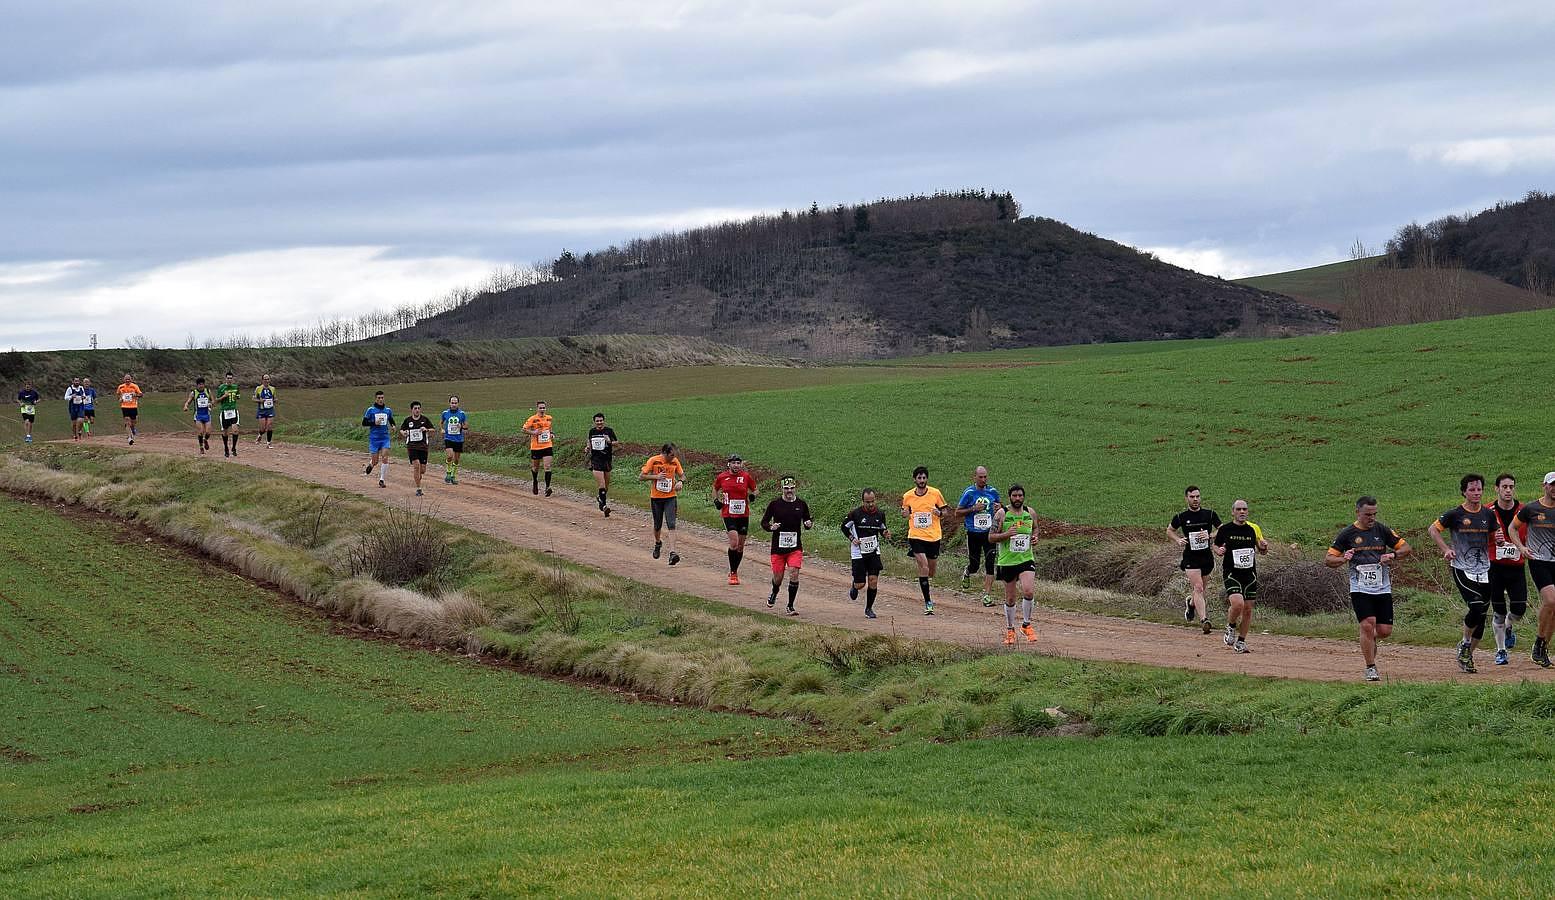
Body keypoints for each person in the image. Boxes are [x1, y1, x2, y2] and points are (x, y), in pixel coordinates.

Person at [1326, 496, 1412, 682]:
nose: (1371, 518)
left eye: (1374, 514)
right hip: (1360, 587)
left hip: (1382, 587)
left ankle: (1368, 638)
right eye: (1367, 514)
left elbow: (1406, 548)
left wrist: (1393, 555)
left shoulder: (1382, 530)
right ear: (1357, 512)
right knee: (1367, 623)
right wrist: (1344, 558)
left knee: (1384, 631)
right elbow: (1329, 559)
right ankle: (1370, 667)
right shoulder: (1347, 534)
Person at [1428, 474, 1498, 674]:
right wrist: (1446, 550)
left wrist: (1499, 541)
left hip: (1484, 569)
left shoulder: (1488, 514)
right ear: (1464, 492)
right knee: (1475, 606)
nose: (1476, 493)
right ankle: (1466, 642)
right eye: (1472, 490)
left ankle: (1467, 656)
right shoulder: (1455, 514)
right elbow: (1433, 530)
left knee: (1482, 616)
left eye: (1479, 490)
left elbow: (1493, 538)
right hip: (1461, 568)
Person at [1508, 473, 1555, 668]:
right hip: (1539, 561)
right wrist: (1521, 548)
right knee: (1551, 600)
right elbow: (1512, 528)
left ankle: (1541, 646)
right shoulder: (1531, 509)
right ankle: (1539, 644)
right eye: (1552, 485)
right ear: (1544, 486)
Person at [1213, 499, 1268, 654]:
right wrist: (1218, 551)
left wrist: (1264, 547)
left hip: (1250, 574)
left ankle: (1241, 642)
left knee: (1248, 610)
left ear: (1247, 512)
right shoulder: (1225, 529)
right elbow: (1215, 545)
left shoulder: (1252, 529)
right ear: (1233, 512)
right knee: (1238, 604)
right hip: (1232, 572)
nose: (1242, 512)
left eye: (1244, 509)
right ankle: (1230, 626)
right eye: (1239, 509)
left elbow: (1261, 550)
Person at [1487, 473, 1530, 665]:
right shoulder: (1487, 511)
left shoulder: (1523, 511)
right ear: (1496, 488)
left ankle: (1509, 626)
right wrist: (1490, 539)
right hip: (1494, 567)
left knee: (1519, 608)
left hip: (1516, 566)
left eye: (1511, 487)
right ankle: (1501, 650)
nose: (1508, 490)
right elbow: (1476, 536)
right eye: (1504, 487)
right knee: (1499, 610)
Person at [989, 484, 1039, 645]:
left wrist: (1035, 538)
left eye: (1020, 496)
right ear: (1009, 497)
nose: (1017, 499)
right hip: (1007, 561)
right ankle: (1010, 630)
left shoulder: (1030, 513)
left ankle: (1026, 625)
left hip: (1026, 559)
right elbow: (991, 537)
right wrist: (1006, 534)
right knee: (1010, 599)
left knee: (1028, 591)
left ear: (1024, 497)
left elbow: (1036, 529)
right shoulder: (1001, 514)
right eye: (1014, 496)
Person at [1168, 485, 1222, 634]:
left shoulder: (1210, 514)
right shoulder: (1181, 517)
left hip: (1206, 557)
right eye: (1192, 497)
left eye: (1198, 496)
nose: (1195, 499)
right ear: (1186, 498)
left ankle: (1191, 604)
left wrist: (1210, 535)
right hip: (1190, 557)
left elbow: (1222, 529)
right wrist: (1178, 540)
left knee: (1201, 590)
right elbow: (1169, 530)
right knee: (1198, 587)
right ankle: (1204, 620)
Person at [761, 476, 813, 616]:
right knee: (778, 577)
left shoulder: (801, 504)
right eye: (786, 488)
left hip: (795, 547)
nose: (789, 491)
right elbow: (764, 522)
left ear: (795, 488)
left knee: (794, 573)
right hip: (778, 547)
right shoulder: (775, 504)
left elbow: (807, 519)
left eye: (791, 488)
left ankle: (790, 606)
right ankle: (774, 591)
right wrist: (771, 527)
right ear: (782, 489)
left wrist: (808, 524)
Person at [901, 466, 948, 615]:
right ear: (914, 479)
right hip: (915, 536)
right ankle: (928, 602)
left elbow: (946, 511)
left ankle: (923, 581)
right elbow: (905, 512)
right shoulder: (907, 496)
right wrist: (905, 513)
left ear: (927, 479)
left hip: (933, 536)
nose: (922, 480)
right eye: (919, 478)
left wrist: (939, 512)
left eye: (924, 478)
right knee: (924, 566)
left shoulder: (935, 493)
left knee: (931, 572)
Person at [955, 466, 1002, 607]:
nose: (983, 479)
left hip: (989, 534)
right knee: (975, 565)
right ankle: (968, 571)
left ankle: (987, 595)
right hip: (973, 533)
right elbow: (957, 512)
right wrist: (973, 509)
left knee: (990, 563)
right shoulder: (969, 493)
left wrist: (999, 507)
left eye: (985, 477)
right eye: (980, 477)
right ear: (974, 477)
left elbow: (1000, 507)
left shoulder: (992, 491)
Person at [841, 488, 890, 619]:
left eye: (872, 501)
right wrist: (852, 539)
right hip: (858, 552)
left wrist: (885, 533)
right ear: (863, 501)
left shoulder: (880, 514)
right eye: (867, 502)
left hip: (874, 550)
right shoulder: (855, 514)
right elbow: (844, 527)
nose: (870, 504)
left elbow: (882, 528)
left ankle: (869, 608)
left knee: (873, 581)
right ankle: (855, 585)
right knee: (861, 584)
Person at [713, 454, 758, 584]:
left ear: (741, 465)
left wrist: (752, 496)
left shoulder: (745, 477)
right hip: (728, 514)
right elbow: (715, 488)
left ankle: (735, 570)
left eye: (738, 463)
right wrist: (716, 500)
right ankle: (733, 573)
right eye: (734, 463)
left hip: (743, 514)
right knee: (734, 542)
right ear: (729, 464)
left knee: (740, 546)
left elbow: (755, 490)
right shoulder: (722, 477)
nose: (736, 465)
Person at [639, 443, 684, 565]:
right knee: (657, 525)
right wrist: (656, 476)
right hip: (656, 498)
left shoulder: (675, 461)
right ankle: (658, 542)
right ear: (664, 453)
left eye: (674, 455)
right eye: (671, 455)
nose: (673, 457)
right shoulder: (654, 461)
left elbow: (682, 475)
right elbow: (641, 476)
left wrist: (680, 481)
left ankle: (673, 553)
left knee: (671, 524)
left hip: (671, 497)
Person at [587, 412, 620, 516]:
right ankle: (604, 506)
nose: (599, 423)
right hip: (596, 460)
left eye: (601, 420)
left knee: (606, 486)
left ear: (604, 421)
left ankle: (600, 498)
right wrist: (587, 447)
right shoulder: (592, 431)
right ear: (594, 422)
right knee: (601, 484)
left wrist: (610, 441)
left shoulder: (609, 431)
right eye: (597, 421)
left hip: (607, 460)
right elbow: (589, 441)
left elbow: (617, 443)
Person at [399, 402, 435, 497]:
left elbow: (433, 430)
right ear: (412, 410)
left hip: (423, 447)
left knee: (422, 470)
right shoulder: (408, 420)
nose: (417, 410)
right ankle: (418, 488)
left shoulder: (425, 419)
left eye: (419, 408)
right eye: (415, 408)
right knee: (416, 466)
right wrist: (404, 433)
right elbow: (401, 430)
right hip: (412, 447)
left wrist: (426, 429)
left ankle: (418, 477)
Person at [360, 391, 394, 488]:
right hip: (374, 439)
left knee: (385, 457)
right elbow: (364, 423)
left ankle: (382, 480)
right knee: (376, 461)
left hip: (385, 438)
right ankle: (371, 464)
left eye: (382, 397)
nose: (380, 399)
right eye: (379, 398)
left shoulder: (388, 410)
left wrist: (393, 425)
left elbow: (391, 419)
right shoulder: (370, 410)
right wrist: (374, 422)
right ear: (376, 398)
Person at [522, 401, 555, 496]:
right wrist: (534, 433)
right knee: (535, 468)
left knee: (547, 467)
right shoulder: (532, 419)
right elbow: (523, 430)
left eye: (543, 408)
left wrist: (552, 434)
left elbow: (549, 428)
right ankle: (535, 481)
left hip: (547, 445)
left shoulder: (549, 418)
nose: (542, 410)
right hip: (536, 447)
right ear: (537, 409)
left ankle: (547, 487)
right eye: (540, 408)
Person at [181, 377, 215, 454]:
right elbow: (188, 402)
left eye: (202, 384)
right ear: (197, 385)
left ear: (204, 384)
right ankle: (201, 447)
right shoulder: (194, 393)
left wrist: (211, 403)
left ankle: (205, 440)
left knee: (208, 432)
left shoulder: (207, 391)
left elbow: (213, 400)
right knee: (200, 432)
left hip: (207, 414)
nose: (201, 386)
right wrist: (185, 406)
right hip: (198, 415)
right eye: (199, 384)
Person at [441, 396, 468, 484]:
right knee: (449, 456)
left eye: (455, 403)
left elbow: (466, 426)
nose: (454, 405)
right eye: (452, 403)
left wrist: (462, 426)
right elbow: (441, 422)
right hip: (448, 438)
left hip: (459, 439)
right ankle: (448, 472)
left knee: (456, 459)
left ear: (458, 404)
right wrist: (441, 429)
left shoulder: (462, 414)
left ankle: (453, 476)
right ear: (449, 403)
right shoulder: (445, 413)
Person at [215, 372, 242, 457]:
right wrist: (224, 396)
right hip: (225, 412)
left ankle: (233, 448)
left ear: (233, 379)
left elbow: (238, 396)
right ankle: (226, 447)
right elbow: (217, 400)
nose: (229, 380)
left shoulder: (235, 387)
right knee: (225, 432)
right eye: (228, 378)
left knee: (235, 430)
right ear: (225, 379)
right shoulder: (221, 387)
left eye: (231, 378)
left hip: (233, 411)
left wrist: (237, 397)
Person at [115, 374, 142, 445]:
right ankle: (130, 438)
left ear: (131, 379)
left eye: (129, 379)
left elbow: (141, 394)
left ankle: (132, 428)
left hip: (133, 406)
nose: (127, 380)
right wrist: (120, 399)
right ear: (124, 380)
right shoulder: (120, 387)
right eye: (126, 379)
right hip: (124, 406)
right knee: (127, 422)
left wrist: (135, 395)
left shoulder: (135, 386)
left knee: (134, 422)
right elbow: (118, 394)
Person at [253, 375, 277, 447]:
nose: (266, 381)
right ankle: (260, 435)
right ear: (262, 380)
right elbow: (253, 399)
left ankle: (269, 443)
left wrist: (274, 400)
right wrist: (260, 401)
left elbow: (275, 398)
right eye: (265, 379)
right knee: (263, 428)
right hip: (261, 410)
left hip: (270, 410)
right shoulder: (258, 388)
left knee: (269, 426)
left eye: (268, 379)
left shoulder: (272, 389)